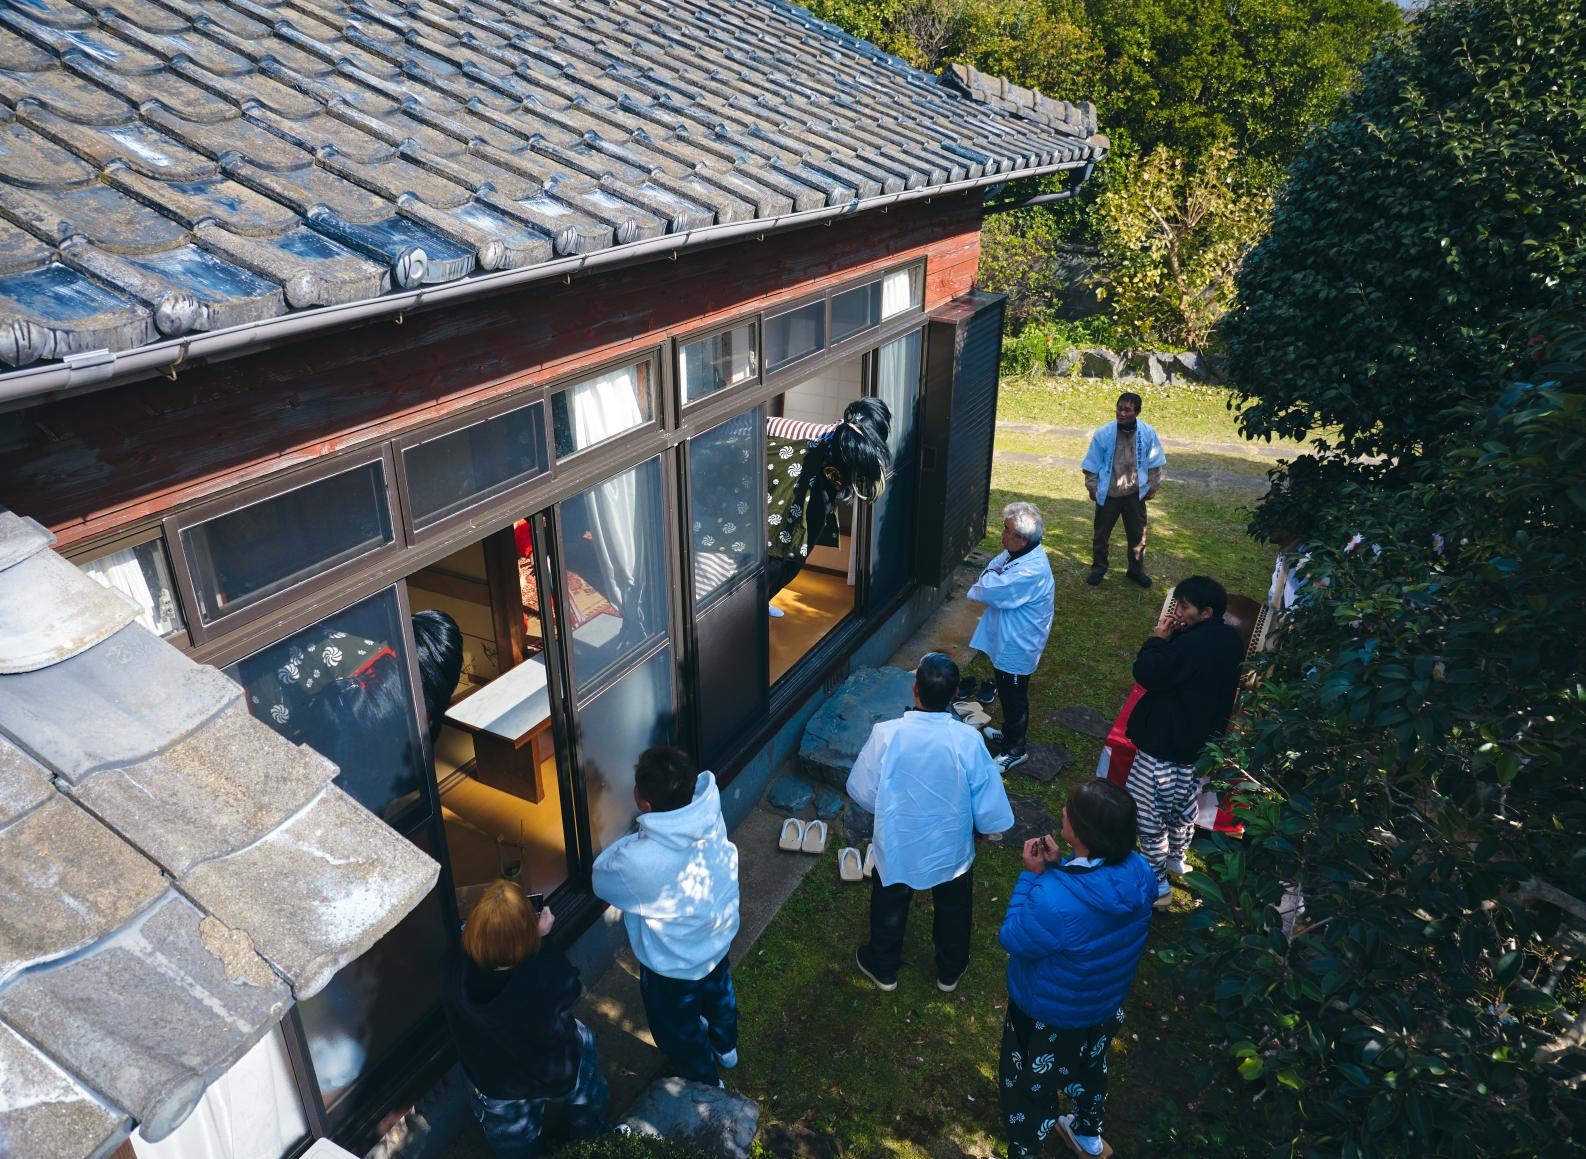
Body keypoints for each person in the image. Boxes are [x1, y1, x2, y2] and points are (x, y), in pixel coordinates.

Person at [998, 779, 1157, 1159]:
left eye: (1070, 810)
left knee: (1028, 1089)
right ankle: (1087, 1134)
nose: (1064, 812)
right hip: (1101, 1006)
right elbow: (1091, 893)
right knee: (1090, 1067)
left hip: (1046, 1017)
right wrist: (1060, 867)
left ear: (1085, 831)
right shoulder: (1139, 871)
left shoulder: (1053, 900)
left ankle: (1024, 1149)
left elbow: (1014, 937)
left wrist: (1034, 876)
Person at [846, 652, 1015, 992]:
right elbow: (986, 795)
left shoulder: (886, 734)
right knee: (954, 904)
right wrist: (984, 828)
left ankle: (884, 967)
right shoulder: (967, 740)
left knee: (889, 898)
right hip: (949, 841)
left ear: (914, 689)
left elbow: (862, 790)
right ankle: (949, 970)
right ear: (955, 695)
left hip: (899, 835)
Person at [592, 746, 741, 1086]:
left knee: (680, 1031)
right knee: (720, 998)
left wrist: (633, 837)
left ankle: (706, 1082)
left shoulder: (640, 861)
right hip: (717, 938)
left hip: (673, 966)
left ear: (642, 802)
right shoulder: (708, 811)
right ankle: (726, 1047)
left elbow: (602, 878)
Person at [443, 880, 612, 1158]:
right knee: (586, 1092)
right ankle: (593, 1139)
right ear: (526, 936)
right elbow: (570, 988)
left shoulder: (454, 968)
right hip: (556, 1070)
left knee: (514, 1145)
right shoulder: (541, 974)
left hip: (495, 1081)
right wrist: (544, 940)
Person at [1126, 575, 1244, 905]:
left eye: (1185, 606)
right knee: (1182, 806)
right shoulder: (1229, 640)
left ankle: (1156, 881)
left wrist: (1157, 640)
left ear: (1206, 612)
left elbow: (1149, 673)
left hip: (1163, 743)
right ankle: (1177, 858)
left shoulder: (1188, 644)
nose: (1177, 610)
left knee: (1147, 812)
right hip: (1198, 744)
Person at [967, 501, 1056, 774]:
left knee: (1014, 695)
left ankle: (1015, 749)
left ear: (1022, 538)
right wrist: (990, 575)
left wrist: (989, 576)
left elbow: (989, 589)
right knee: (1006, 689)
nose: (1001, 535)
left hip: (1019, 643)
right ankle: (1008, 735)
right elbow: (990, 575)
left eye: (1006, 530)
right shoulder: (1016, 554)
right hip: (1009, 636)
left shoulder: (1031, 570)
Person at [1081, 392, 1167, 588]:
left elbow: (1155, 462)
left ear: (1137, 412)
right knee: (1101, 534)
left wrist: (1153, 486)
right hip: (1109, 492)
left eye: (1127, 410)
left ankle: (1136, 571)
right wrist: (1092, 486)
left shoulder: (1147, 433)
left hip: (1135, 494)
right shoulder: (1104, 433)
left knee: (1138, 535)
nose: (1122, 413)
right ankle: (1098, 568)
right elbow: (1091, 463)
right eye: (1119, 408)